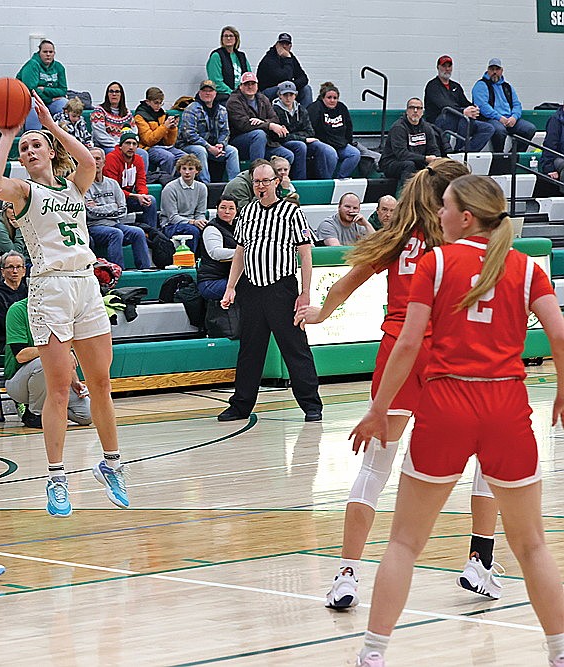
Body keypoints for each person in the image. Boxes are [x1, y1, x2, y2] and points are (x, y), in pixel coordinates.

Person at [347, 174, 564, 667]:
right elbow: (560, 335)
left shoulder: (436, 263)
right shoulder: (527, 267)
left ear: (466, 216)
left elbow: (407, 344)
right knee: (532, 546)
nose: (437, 214)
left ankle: (373, 654)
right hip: (506, 406)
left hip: (446, 404)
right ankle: (558, 652)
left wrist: (378, 409)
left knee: (404, 542)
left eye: (444, 207)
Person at [296, 160, 503, 612]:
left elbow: (347, 282)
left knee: (373, 470)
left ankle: (347, 574)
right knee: (488, 455)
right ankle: (478, 560)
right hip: (445, 357)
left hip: (396, 355)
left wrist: (319, 314)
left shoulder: (395, 238)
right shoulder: (458, 241)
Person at [0, 94, 129, 517]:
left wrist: (51, 123)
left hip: (85, 285)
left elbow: (88, 162)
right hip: (49, 289)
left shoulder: (72, 185)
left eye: (36, 145)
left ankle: (112, 464)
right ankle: (56, 476)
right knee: (60, 389)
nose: (30, 151)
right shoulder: (22, 191)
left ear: (50, 150)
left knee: (101, 382)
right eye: (25, 148)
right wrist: (8, 136)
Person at [218, 162, 322, 422]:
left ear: (277, 182)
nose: (260, 186)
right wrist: (231, 287)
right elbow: (240, 251)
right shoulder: (248, 212)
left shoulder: (291, 212)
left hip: (282, 289)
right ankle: (240, 405)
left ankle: (311, 405)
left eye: (265, 181)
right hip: (251, 289)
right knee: (249, 350)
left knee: (295, 348)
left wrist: (305, 291)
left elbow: (305, 253)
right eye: (256, 182)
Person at [5, 297, 92, 429]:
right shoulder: (17, 310)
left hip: (55, 378)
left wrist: (75, 382)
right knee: (43, 362)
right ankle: (34, 413)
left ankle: (53, 410)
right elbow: (21, 356)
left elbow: (65, 354)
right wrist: (55, 350)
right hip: (19, 382)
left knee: (86, 415)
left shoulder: (60, 312)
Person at [85, 147, 152, 269]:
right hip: (94, 227)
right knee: (116, 234)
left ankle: (145, 270)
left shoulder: (113, 184)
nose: (95, 162)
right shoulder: (84, 185)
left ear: (104, 162)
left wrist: (100, 207)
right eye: (92, 159)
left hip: (114, 223)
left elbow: (123, 210)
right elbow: (90, 213)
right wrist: (112, 207)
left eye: (98, 159)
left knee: (138, 232)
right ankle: (117, 271)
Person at [226, 73, 300, 174]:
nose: (250, 86)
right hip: (241, 141)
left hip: (265, 142)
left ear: (257, 85)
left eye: (253, 84)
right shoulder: (234, 101)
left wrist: (264, 122)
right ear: (240, 86)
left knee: (288, 155)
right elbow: (243, 125)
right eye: (247, 84)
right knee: (258, 134)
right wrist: (269, 125)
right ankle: (256, 174)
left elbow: (275, 119)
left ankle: (276, 182)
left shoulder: (262, 98)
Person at [424, 55, 495, 153]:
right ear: (438, 67)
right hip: (440, 120)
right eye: (444, 66)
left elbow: (464, 102)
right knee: (465, 119)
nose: (447, 69)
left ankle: (464, 151)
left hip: (459, 120)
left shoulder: (456, 86)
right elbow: (444, 105)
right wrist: (463, 111)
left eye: (449, 66)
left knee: (488, 128)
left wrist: (474, 108)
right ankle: (458, 151)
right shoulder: (432, 86)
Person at [471, 58, 536, 154]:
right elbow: (482, 106)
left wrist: (514, 117)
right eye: (491, 69)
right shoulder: (481, 85)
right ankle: (499, 156)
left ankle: (513, 156)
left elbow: (517, 104)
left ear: (501, 71)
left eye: (497, 69)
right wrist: (499, 117)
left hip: (509, 119)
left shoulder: (507, 87)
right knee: (499, 130)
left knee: (529, 129)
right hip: (490, 119)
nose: (494, 72)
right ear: (487, 70)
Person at [273, 81, 336, 180]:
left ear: (295, 95)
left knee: (320, 147)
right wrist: (303, 139)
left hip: (299, 140)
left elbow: (310, 132)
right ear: (279, 95)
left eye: (291, 94)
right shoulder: (274, 110)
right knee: (300, 146)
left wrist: (294, 135)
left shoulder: (301, 109)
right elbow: (280, 136)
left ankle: (324, 180)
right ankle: (301, 181)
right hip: (282, 144)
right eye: (285, 94)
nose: (288, 97)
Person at [103, 129, 159, 228]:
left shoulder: (138, 159)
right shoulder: (111, 158)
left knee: (150, 201)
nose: (131, 147)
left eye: (134, 144)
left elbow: (141, 181)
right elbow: (112, 188)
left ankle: (151, 234)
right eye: (128, 143)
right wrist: (135, 195)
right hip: (112, 199)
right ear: (120, 146)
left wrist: (142, 196)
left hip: (128, 197)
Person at [379, 98, 440, 187]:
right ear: (407, 111)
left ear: (422, 112)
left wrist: (436, 159)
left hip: (416, 160)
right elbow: (401, 154)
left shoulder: (427, 127)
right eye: (412, 108)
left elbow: (434, 148)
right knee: (409, 165)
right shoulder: (398, 127)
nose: (415, 111)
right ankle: (406, 195)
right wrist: (425, 159)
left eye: (419, 108)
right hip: (392, 163)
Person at [307, 82, 362, 179]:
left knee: (355, 153)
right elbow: (311, 128)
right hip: (322, 143)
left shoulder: (342, 108)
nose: (332, 100)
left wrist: (348, 142)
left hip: (339, 143)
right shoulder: (315, 108)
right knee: (331, 153)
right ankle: (327, 181)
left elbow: (348, 127)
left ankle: (341, 178)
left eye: (335, 98)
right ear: (323, 97)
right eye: (329, 97)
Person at [91, 83, 149, 166]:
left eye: (117, 92)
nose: (114, 94)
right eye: (111, 91)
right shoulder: (99, 111)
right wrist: (119, 146)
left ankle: (140, 178)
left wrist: (127, 145)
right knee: (116, 154)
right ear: (107, 94)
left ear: (121, 95)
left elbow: (134, 132)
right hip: (106, 146)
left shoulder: (127, 113)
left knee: (143, 154)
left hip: (126, 145)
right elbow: (100, 135)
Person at [160, 153, 208, 253]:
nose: (187, 172)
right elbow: (172, 217)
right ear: (179, 170)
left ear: (197, 171)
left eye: (190, 169)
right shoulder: (170, 188)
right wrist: (193, 222)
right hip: (170, 225)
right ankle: (191, 261)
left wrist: (201, 222)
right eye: (184, 168)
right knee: (192, 230)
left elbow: (200, 213)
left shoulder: (202, 188)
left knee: (210, 229)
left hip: (192, 223)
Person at [17, 39, 68, 130]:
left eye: (50, 52)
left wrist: (44, 89)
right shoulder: (32, 65)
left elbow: (63, 90)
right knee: (34, 104)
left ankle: (63, 135)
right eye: (45, 52)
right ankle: (34, 134)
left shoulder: (59, 67)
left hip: (49, 100)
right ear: (39, 52)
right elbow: (32, 90)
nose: (48, 54)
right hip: (30, 100)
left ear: (54, 53)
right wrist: (50, 98)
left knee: (64, 103)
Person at [133, 87, 185, 176]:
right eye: (156, 103)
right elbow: (148, 140)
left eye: (161, 103)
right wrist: (164, 126)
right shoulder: (140, 116)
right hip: (148, 148)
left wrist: (172, 128)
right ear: (147, 102)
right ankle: (165, 181)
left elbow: (169, 143)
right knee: (168, 157)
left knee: (185, 158)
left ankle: (178, 182)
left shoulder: (162, 114)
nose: (159, 106)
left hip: (164, 147)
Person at [0, 250, 29, 352]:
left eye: (18, 267)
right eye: (10, 267)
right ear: (2, 272)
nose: (14, 271)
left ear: (24, 271)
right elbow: (2, 323)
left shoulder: (30, 292)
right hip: (7, 343)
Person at [197, 196, 238, 302]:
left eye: (231, 208)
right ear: (217, 209)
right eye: (223, 208)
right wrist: (245, 252)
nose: (227, 212)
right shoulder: (211, 229)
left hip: (229, 278)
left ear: (236, 210)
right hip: (211, 282)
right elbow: (216, 253)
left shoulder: (239, 227)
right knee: (247, 286)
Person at [256, 32, 312, 108]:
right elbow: (284, 77)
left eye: (287, 44)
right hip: (268, 92)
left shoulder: (291, 57)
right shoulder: (269, 59)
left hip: (285, 89)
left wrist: (292, 84)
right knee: (284, 87)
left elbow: (304, 78)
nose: (284, 46)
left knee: (306, 89)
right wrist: (287, 59)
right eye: (282, 43)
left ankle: (305, 116)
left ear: (290, 46)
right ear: (277, 44)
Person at [206, 26, 252, 104]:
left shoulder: (241, 56)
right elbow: (216, 82)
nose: (228, 38)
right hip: (225, 96)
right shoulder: (216, 56)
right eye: (225, 36)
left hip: (242, 94)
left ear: (236, 38)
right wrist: (233, 93)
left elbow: (249, 76)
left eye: (231, 36)